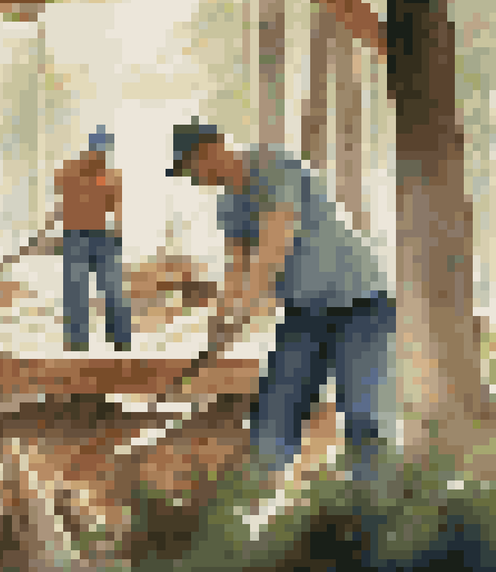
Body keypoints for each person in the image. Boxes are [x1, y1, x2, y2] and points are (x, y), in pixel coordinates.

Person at [166, 118, 394, 491]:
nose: (194, 178)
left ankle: (372, 503)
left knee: (364, 411)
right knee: (276, 411)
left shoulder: (274, 168)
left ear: (215, 148)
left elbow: (275, 244)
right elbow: (236, 271)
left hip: (362, 304)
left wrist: (245, 312)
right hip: (306, 311)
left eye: (192, 167)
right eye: (187, 172)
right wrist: (218, 329)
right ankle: (256, 504)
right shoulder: (228, 206)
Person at [52, 126, 128, 352]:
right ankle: (77, 343)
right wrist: (57, 233)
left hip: (102, 237)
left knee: (113, 289)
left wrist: (118, 235)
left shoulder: (111, 176)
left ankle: (120, 340)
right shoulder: (71, 171)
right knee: (76, 292)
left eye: (104, 152)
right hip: (74, 237)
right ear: (89, 149)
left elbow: (117, 208)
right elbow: (62, 204)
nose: (100, 156)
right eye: (97, 150)